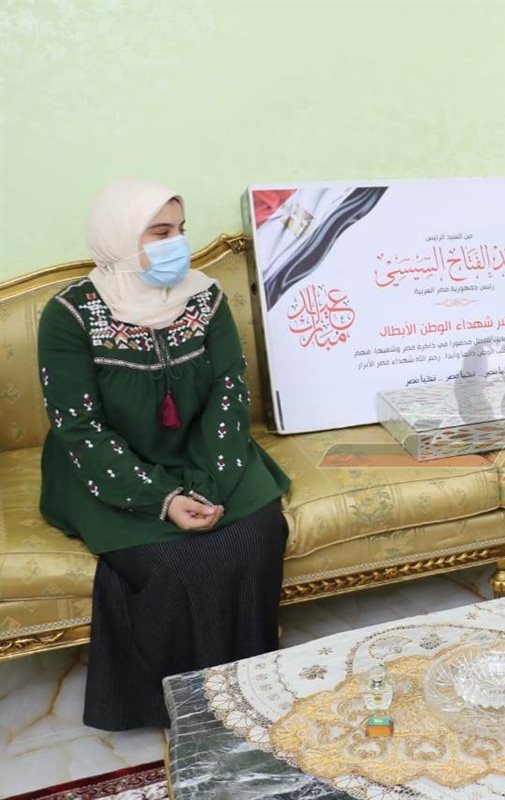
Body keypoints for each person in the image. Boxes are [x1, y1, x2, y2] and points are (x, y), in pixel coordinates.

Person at [38, 178, 291, 730]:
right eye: (160, 232)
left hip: (209, 453)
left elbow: (228, 390)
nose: (178, 243)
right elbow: (79, 427)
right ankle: (184, 706)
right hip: (104, 467)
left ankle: (249, 688)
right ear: (120, 237)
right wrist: (164, 498)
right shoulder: (71, 315)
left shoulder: (205, 298)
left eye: (180, 229)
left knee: (256, 532)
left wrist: (209, 484)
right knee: (171, 560)